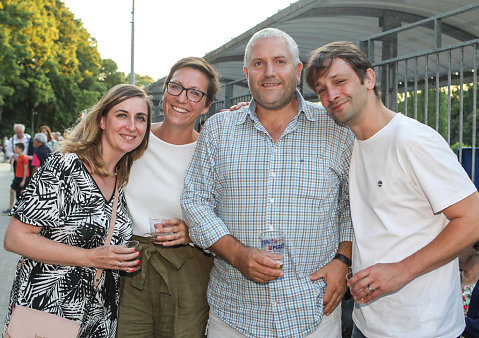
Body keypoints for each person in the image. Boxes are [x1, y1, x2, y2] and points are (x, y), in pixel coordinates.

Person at [181, 28, 355, 337]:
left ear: (297, 69)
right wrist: (238, 254)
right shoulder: (219, 130)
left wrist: (343, 259)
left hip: (312, 310)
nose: (270, 72)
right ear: (247, 73)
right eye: (259, 64)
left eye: (279, 61)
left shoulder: (336, 130)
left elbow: (352, 203)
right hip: (234, 313)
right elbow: (195, 200)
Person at [305, 41, 479, 338]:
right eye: (321, 90)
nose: (331, 95)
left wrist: (403, 269)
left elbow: (473, 218)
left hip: (423, 328)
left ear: (369, 79)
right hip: (367, 324)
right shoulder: (349, 143)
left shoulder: (412, 140)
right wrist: (252, 106)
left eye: (340, 81)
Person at [3, 84, 151, 337]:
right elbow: (15, 238)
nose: (132, 126)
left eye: (141, 118)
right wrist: (90, 257)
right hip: (47, 310)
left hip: (99, 319)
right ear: (102, 120)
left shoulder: (122, 179)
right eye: (122, 115)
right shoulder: (64, 167)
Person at [117, 57, 218, 337]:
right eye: (176, 87)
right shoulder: (133, 138)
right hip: (131, 266)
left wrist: (194, 231)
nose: (182, 98)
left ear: (207, 105)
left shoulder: (211, 152)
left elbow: (228, 213)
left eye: (195, 93)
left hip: (188, 270)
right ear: (164, 91)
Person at [3, 124, 33, 214]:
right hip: (17, 162)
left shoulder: (28, 138)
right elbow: (8, 151)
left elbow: (26, 168)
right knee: (14, 189)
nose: (19, 134)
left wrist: (24, 179)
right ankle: (12, 207)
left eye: (20, 132)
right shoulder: (12, 139)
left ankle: (23, 207)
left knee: (23, 189)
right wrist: (13, 156)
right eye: (17, 132)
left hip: (26, 162)